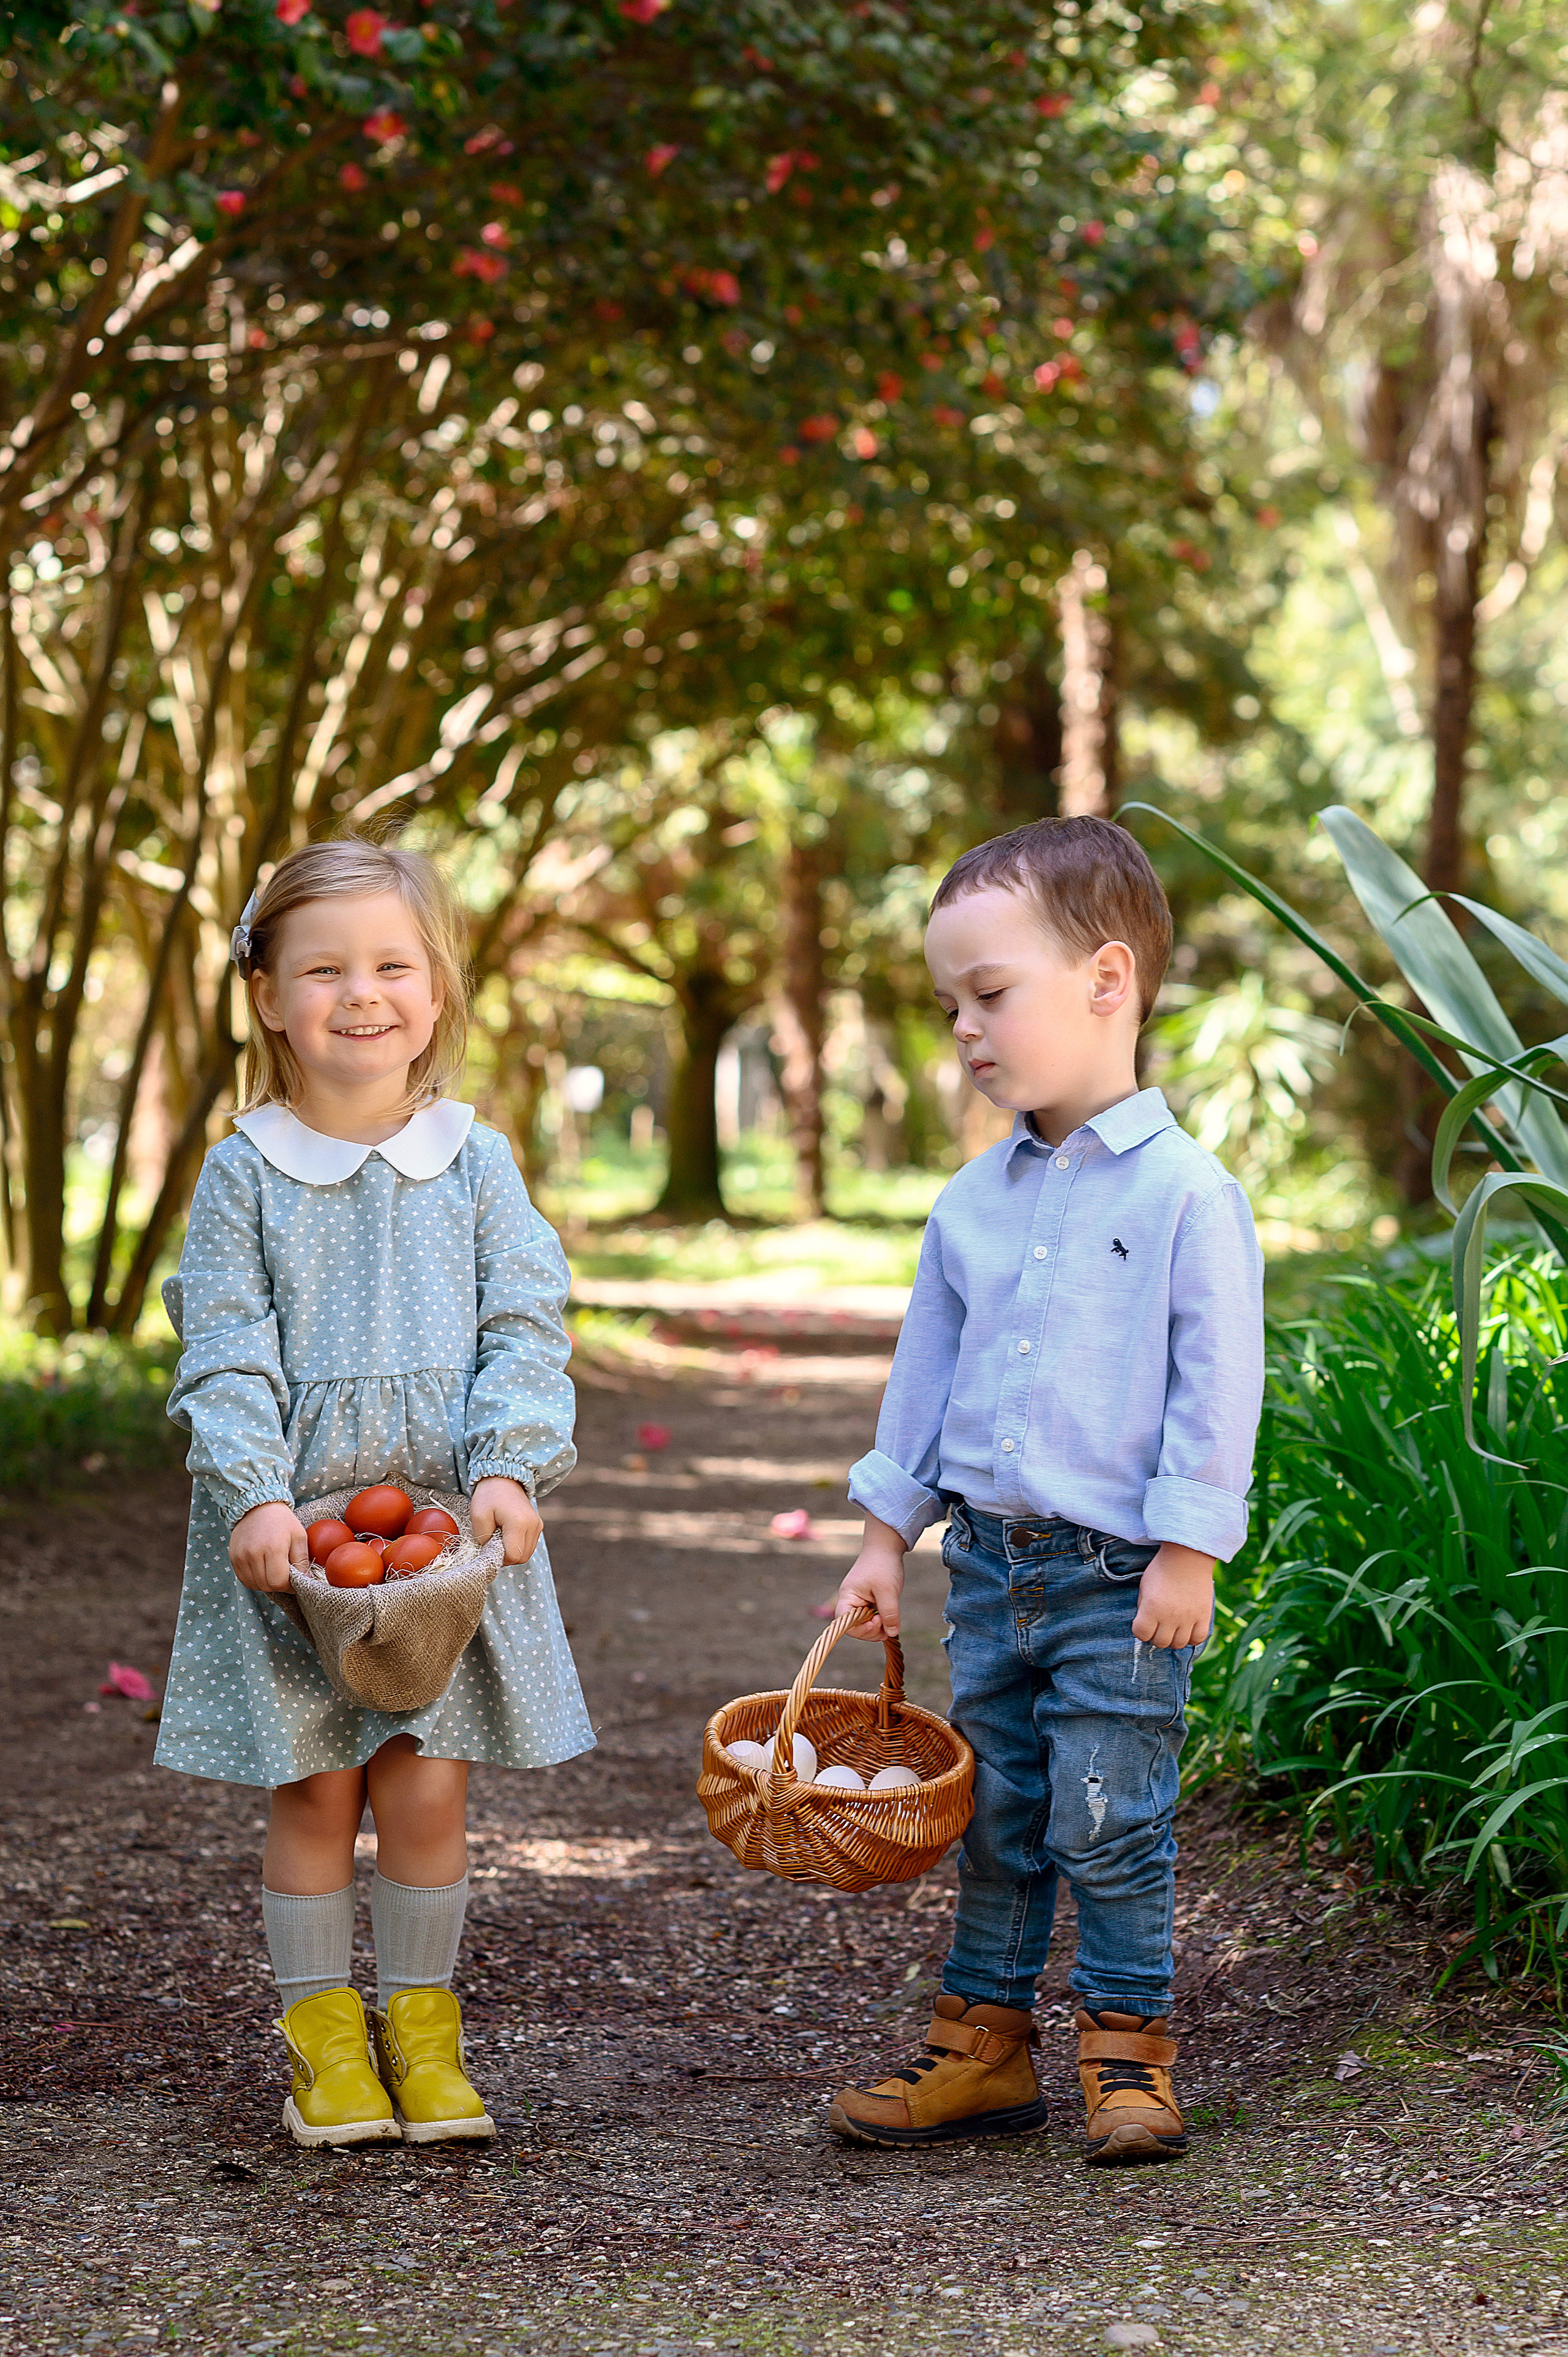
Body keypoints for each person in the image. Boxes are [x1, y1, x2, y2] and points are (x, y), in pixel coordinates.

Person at [826, 816, 1263, 2165]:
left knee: (1108, 1819)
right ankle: (983, 2046)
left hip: (1122, 1580)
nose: (964, 1027)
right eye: (948, 1002)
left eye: (990, 993)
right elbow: (925, 1377)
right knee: (1000, 1810)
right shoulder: (970, 1203)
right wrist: (880, 1536)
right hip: (991, 1569)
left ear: (1106, 981)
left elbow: (1215, 1382)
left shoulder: (1191, 1194)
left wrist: (1188, 1549)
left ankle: (1127, 2053)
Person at [156, 837, 592, 2148]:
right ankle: (322, 2043)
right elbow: (224, 1343)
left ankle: (421, 2024)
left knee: (424, 1779)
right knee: (311, 1788)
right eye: (325, 967)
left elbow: (525, 1320)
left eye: (393, 964)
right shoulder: (244, 1171)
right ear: (268, 996)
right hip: (305, 1529)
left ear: (439, 988)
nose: (363, 992)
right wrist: (253, 1493)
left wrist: (510, 1458)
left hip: (437, 1536)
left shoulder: (474, 1161)